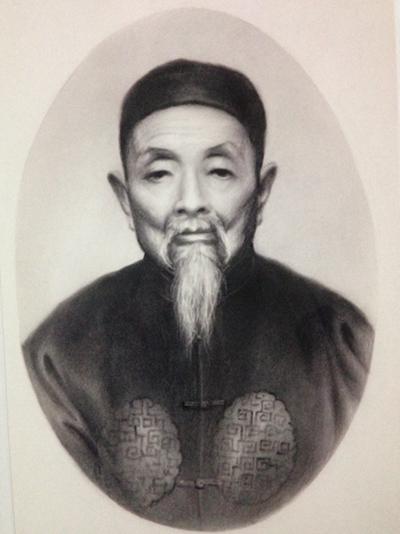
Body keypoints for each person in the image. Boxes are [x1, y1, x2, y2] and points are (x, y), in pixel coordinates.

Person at [23, 59, 373, 530]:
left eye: (220, 171)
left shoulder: (342, 344)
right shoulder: (58, 358)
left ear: (262, 191)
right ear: (125, 198)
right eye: (159, 174)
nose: (191, 201)